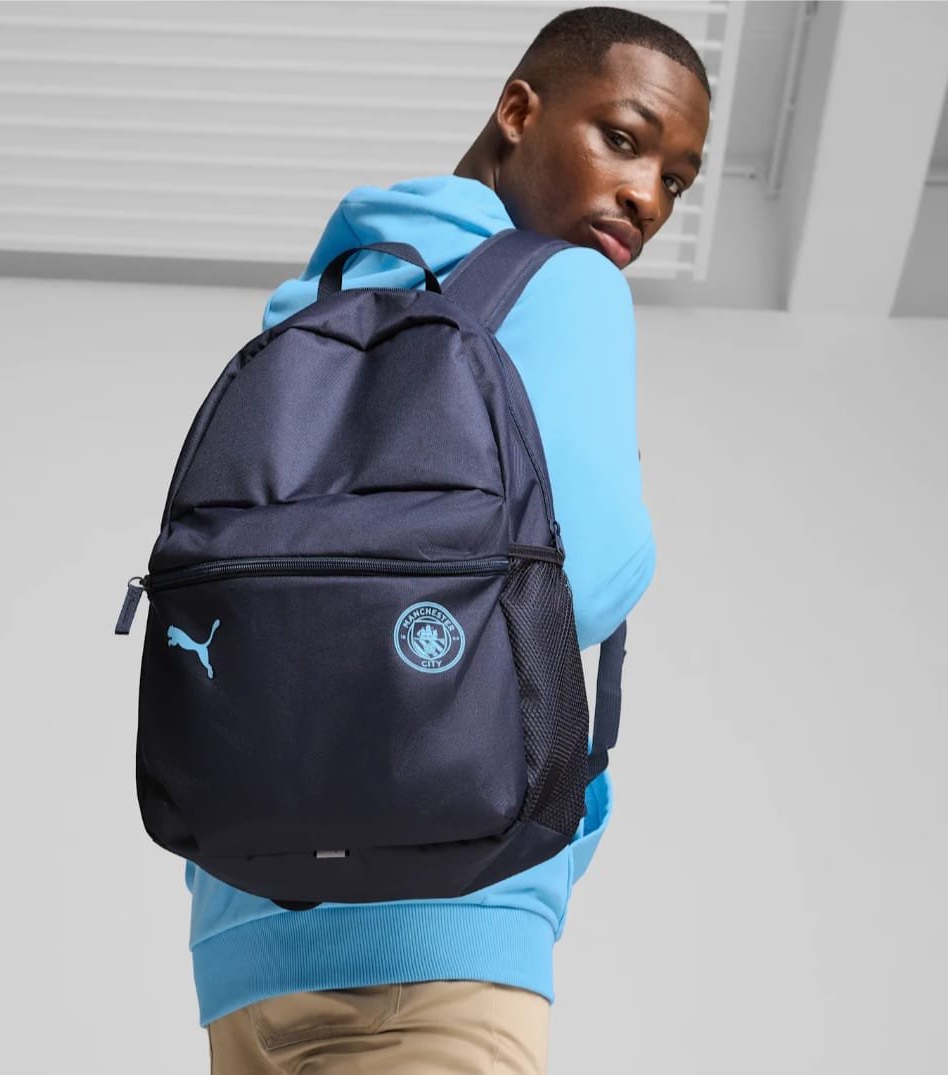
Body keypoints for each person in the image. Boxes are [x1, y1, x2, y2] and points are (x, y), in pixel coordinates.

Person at [197, 7, 711, 1072]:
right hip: (447, 931)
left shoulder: (312, 308)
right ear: (519, 111)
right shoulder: (567, 282)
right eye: (624, 140)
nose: (647, 198)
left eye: (676, 180)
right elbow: (587, 581)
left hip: (244, 933)